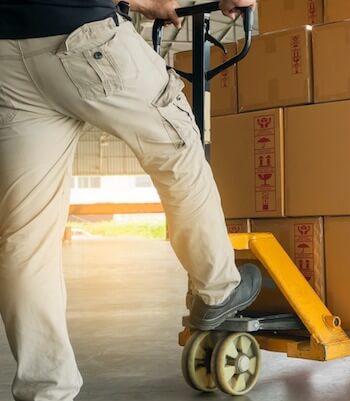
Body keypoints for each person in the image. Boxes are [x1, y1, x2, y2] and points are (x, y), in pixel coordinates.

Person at [0, 0, 261, 400]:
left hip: (8, 56)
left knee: (25, 238)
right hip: (83, 36)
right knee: (177, 150)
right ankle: (218, 288)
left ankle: (46, 390)